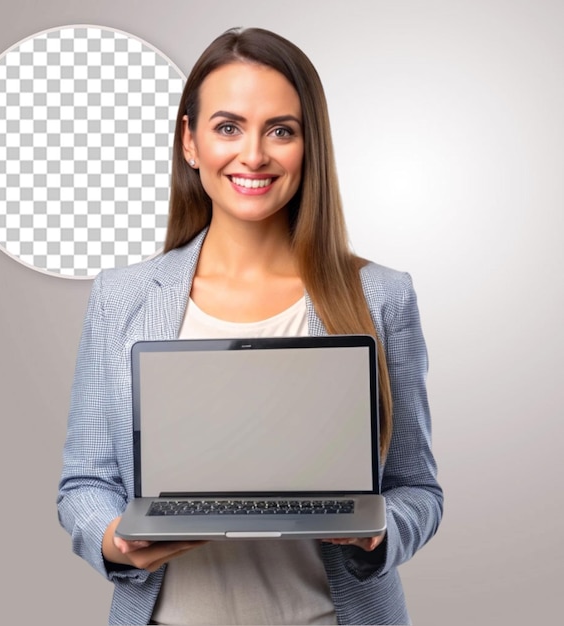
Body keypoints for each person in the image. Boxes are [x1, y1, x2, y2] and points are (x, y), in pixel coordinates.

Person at [58, 27, 443, 626]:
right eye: (228, 127)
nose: (255, 155)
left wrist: (378, 532)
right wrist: (115, 539)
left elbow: (418, 489)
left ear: (309, 145)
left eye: (281, 130)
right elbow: (85, 481)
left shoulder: (382, 296)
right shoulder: (121, 298)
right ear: (190, 141)